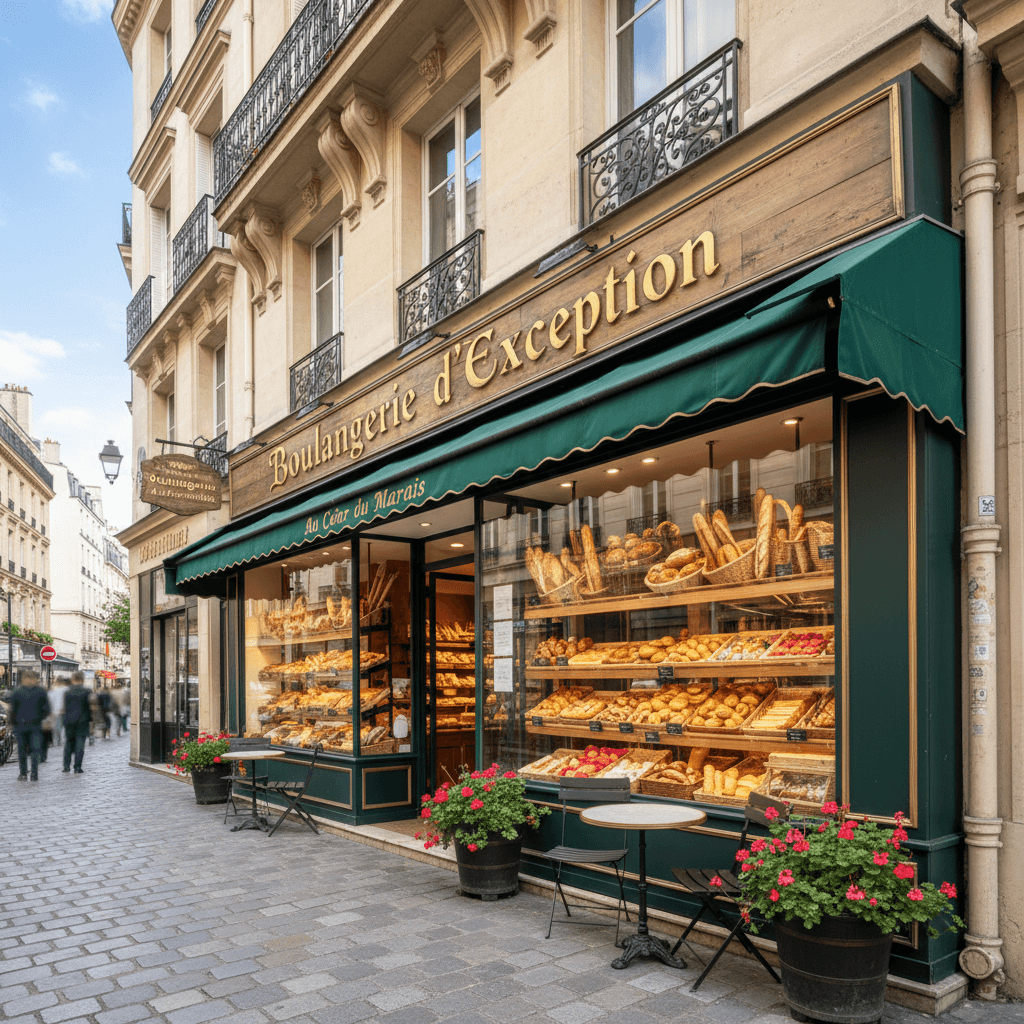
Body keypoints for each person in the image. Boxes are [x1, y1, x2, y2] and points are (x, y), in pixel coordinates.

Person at [7, 669, 50, 782]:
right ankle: (34, 774)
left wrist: (12, 724)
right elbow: (47, 709)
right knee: (35, 750)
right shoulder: (41, 691)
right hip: (35, 725)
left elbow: (12, 710)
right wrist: (40, 718)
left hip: (20, 726)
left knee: (22, 750)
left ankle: (23, 773)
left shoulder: (17, 692)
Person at [63, 671, 92, 774]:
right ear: (82, 680)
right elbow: (90, 707)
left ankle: (66, 766)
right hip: (82, 721)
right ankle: (77, 767)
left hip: (69, 721)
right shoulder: (87, 691)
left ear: (73, 679)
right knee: (80, 744)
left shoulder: (67, 692)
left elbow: (64, 707)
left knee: (69, 743)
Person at [49, 677, 68, 746]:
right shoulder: (67, 689)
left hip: (56, 712)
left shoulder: (53, 690)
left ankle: (58, 741)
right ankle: (64, 740)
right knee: (65, 727)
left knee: (57, 728)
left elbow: (50, 701)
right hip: (66, 711)